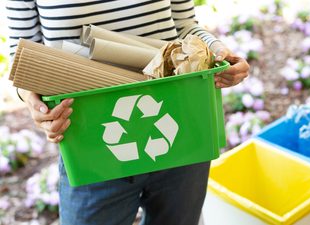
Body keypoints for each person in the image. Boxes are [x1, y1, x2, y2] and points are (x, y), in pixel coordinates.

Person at [6, 1, 249, 224]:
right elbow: (23, 53)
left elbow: (184, 25)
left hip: (178, 130)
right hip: (90, 144)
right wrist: (33, 103)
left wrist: (219, 53)